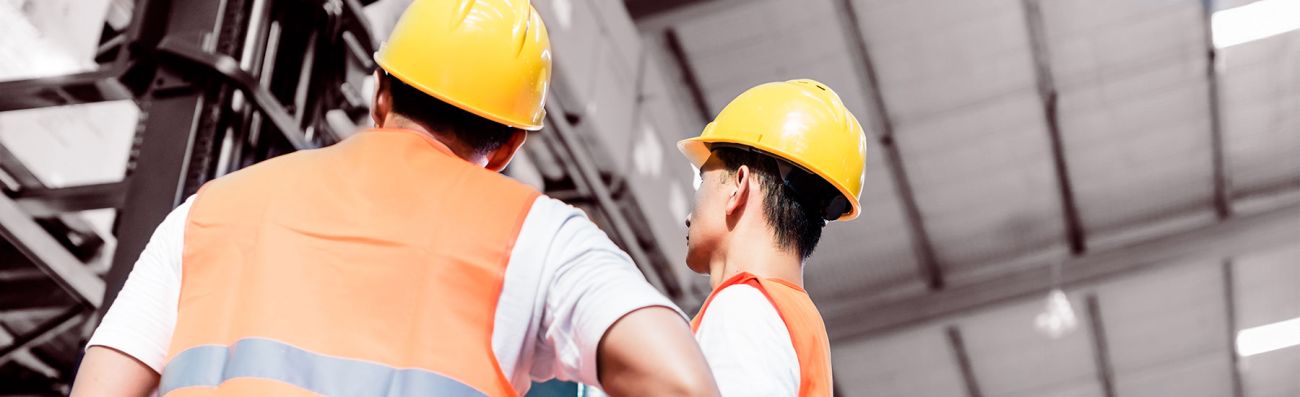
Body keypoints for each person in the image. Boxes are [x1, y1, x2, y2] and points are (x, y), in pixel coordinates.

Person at [71, 0, 718, 395]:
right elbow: (681, 383)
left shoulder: (211, 211)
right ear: (512, 144)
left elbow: (103, 381)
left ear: (380, 89)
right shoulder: (543, 237)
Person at [677, 79, 867, 396]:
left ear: (738, 186)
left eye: (702, 179)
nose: (688, 214)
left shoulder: (743, 309)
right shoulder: (793, 321)